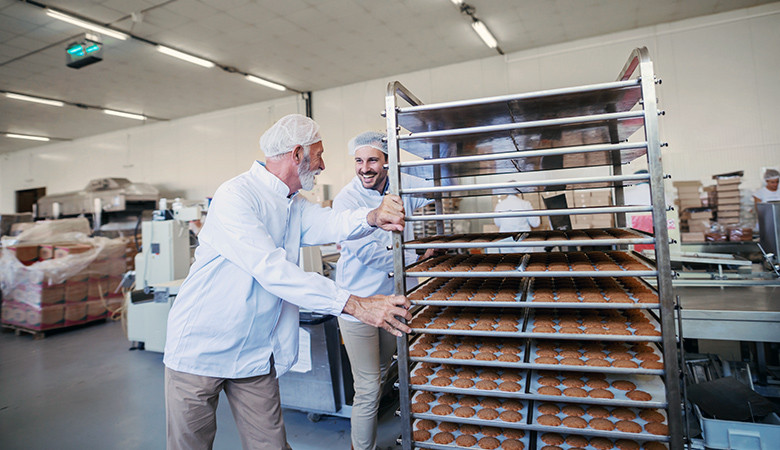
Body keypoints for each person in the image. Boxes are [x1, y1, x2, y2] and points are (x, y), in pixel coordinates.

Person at [163, 115, 412, 450]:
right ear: (298, 154)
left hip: (253, 353)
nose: (323, 165)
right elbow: (271, 269)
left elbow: (329, 222)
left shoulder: (292, 203)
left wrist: (372, 216)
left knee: (272, 446)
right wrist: (354, 304)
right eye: (319, 154)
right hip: (202, 346)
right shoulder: (237, 195)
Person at [332, 131, 432, 450]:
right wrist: (418, 257)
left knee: (383, 372)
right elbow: (367, 253)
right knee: (368, 387)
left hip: (391, 300)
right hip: (358, 303)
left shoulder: (402, 186)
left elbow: (435, 186)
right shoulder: (347, 199)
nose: (364, 168)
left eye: (372, 159)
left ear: (386, 161)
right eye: (359, 161)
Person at [493, 187, 541, 253]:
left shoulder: (499, 205)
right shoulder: (525, 204)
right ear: (518, 191)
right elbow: (536, 224)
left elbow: (497, 224)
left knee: (508, 262)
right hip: (522, 243)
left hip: (506, 243)